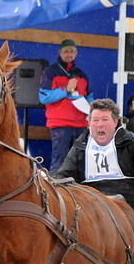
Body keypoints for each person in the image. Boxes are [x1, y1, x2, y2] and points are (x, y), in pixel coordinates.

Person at [53, 98, 134, 208]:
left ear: (116, 122)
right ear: (89, 123)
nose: (100, 124)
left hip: (133, 204)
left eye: (105, 119)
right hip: (92, 205)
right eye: (95, 120)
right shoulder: (80, 147)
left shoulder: (132, 142)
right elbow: (64, 175)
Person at [39, 39, 94, 171]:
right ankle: (56, 190)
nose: (69, 54)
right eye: (66, 51)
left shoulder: (82, 74)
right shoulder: (50, 72)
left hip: (81, 124)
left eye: (72, 51)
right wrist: (65, 90)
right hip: (61, 124)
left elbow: (90, 98)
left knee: (80, 162)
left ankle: (76, 190)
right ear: (60, 53)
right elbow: (43, 97)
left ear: (76, 53)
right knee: (60, 161)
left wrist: (92, 109)